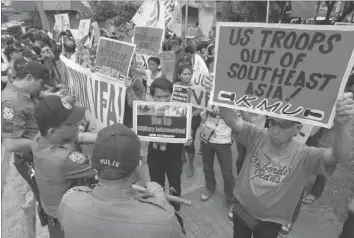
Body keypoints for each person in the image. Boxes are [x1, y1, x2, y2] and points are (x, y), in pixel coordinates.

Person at [219, 92, 354, 238]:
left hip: (270, 222)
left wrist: (341, 126)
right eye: (273, 123)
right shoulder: (257, 135)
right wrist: (219, 95)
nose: (275, 130)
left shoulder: (305, 155)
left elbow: (339, 155)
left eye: (283, 126)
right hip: (242, 210)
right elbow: (232, 121)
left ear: (297, 129)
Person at [58, 123, 184, 238]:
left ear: (93, 166)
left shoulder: (69, 201)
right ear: (138, 166)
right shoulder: (163, 220)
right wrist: (160, 200)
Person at [31, 95, 97, 238]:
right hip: (66, 223)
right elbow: (103, 167)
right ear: (53, 132)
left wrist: (102, 135)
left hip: (53, 212)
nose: (78, 125)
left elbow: (78, 137)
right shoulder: (63, 159)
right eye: (71, 123)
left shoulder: (40, 138)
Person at [1, 60, 53, 222]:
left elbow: (37, 98)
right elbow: (11, 144)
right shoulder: (11, 102)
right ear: (29, 78)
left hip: (38, 154)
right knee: (47, 199)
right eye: (41, 84)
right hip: (30, 160)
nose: (42, 88)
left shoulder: (26, 93)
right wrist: (47, 141)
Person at [199, 105, 236, 220]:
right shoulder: (209, 98)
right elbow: (201, 115)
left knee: (227, 174)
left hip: (224, 142)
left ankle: (231, 201)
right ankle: (210, 187)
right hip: (206, 138)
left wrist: (224, 111)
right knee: (207, 167)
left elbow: (238, 122)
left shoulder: (233, 103)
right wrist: (206, 110)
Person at [174, 64, 203, 177]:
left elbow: (202, 106)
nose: (187, 76)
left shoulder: (198, 87)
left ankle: (191, 165)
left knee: (189, 144)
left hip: (193, 119)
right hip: (179, 118)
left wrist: (193, 113)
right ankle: (182, 157)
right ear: (179, 75)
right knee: (179, 141)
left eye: (189, 74)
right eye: (184, 74)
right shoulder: (176, 86)